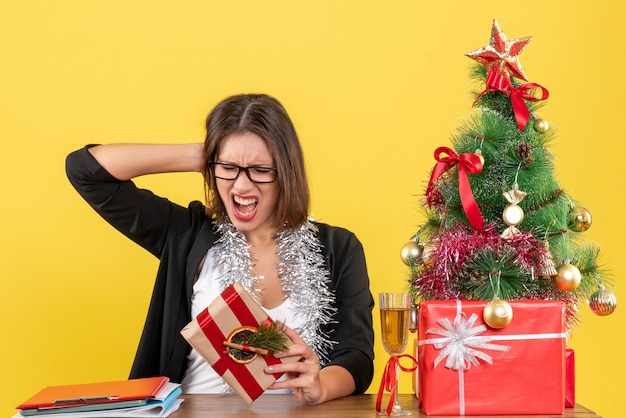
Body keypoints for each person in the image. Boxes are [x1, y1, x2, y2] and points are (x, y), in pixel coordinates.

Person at [65, 93, 375, 405]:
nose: (241, 186)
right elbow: (86, 171)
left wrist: (320, 385)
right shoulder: (186, 234)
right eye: (228, 167)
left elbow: (357, 358)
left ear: (286, 172)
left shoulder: (339, 248)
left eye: (260, 169)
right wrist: (203, 155)